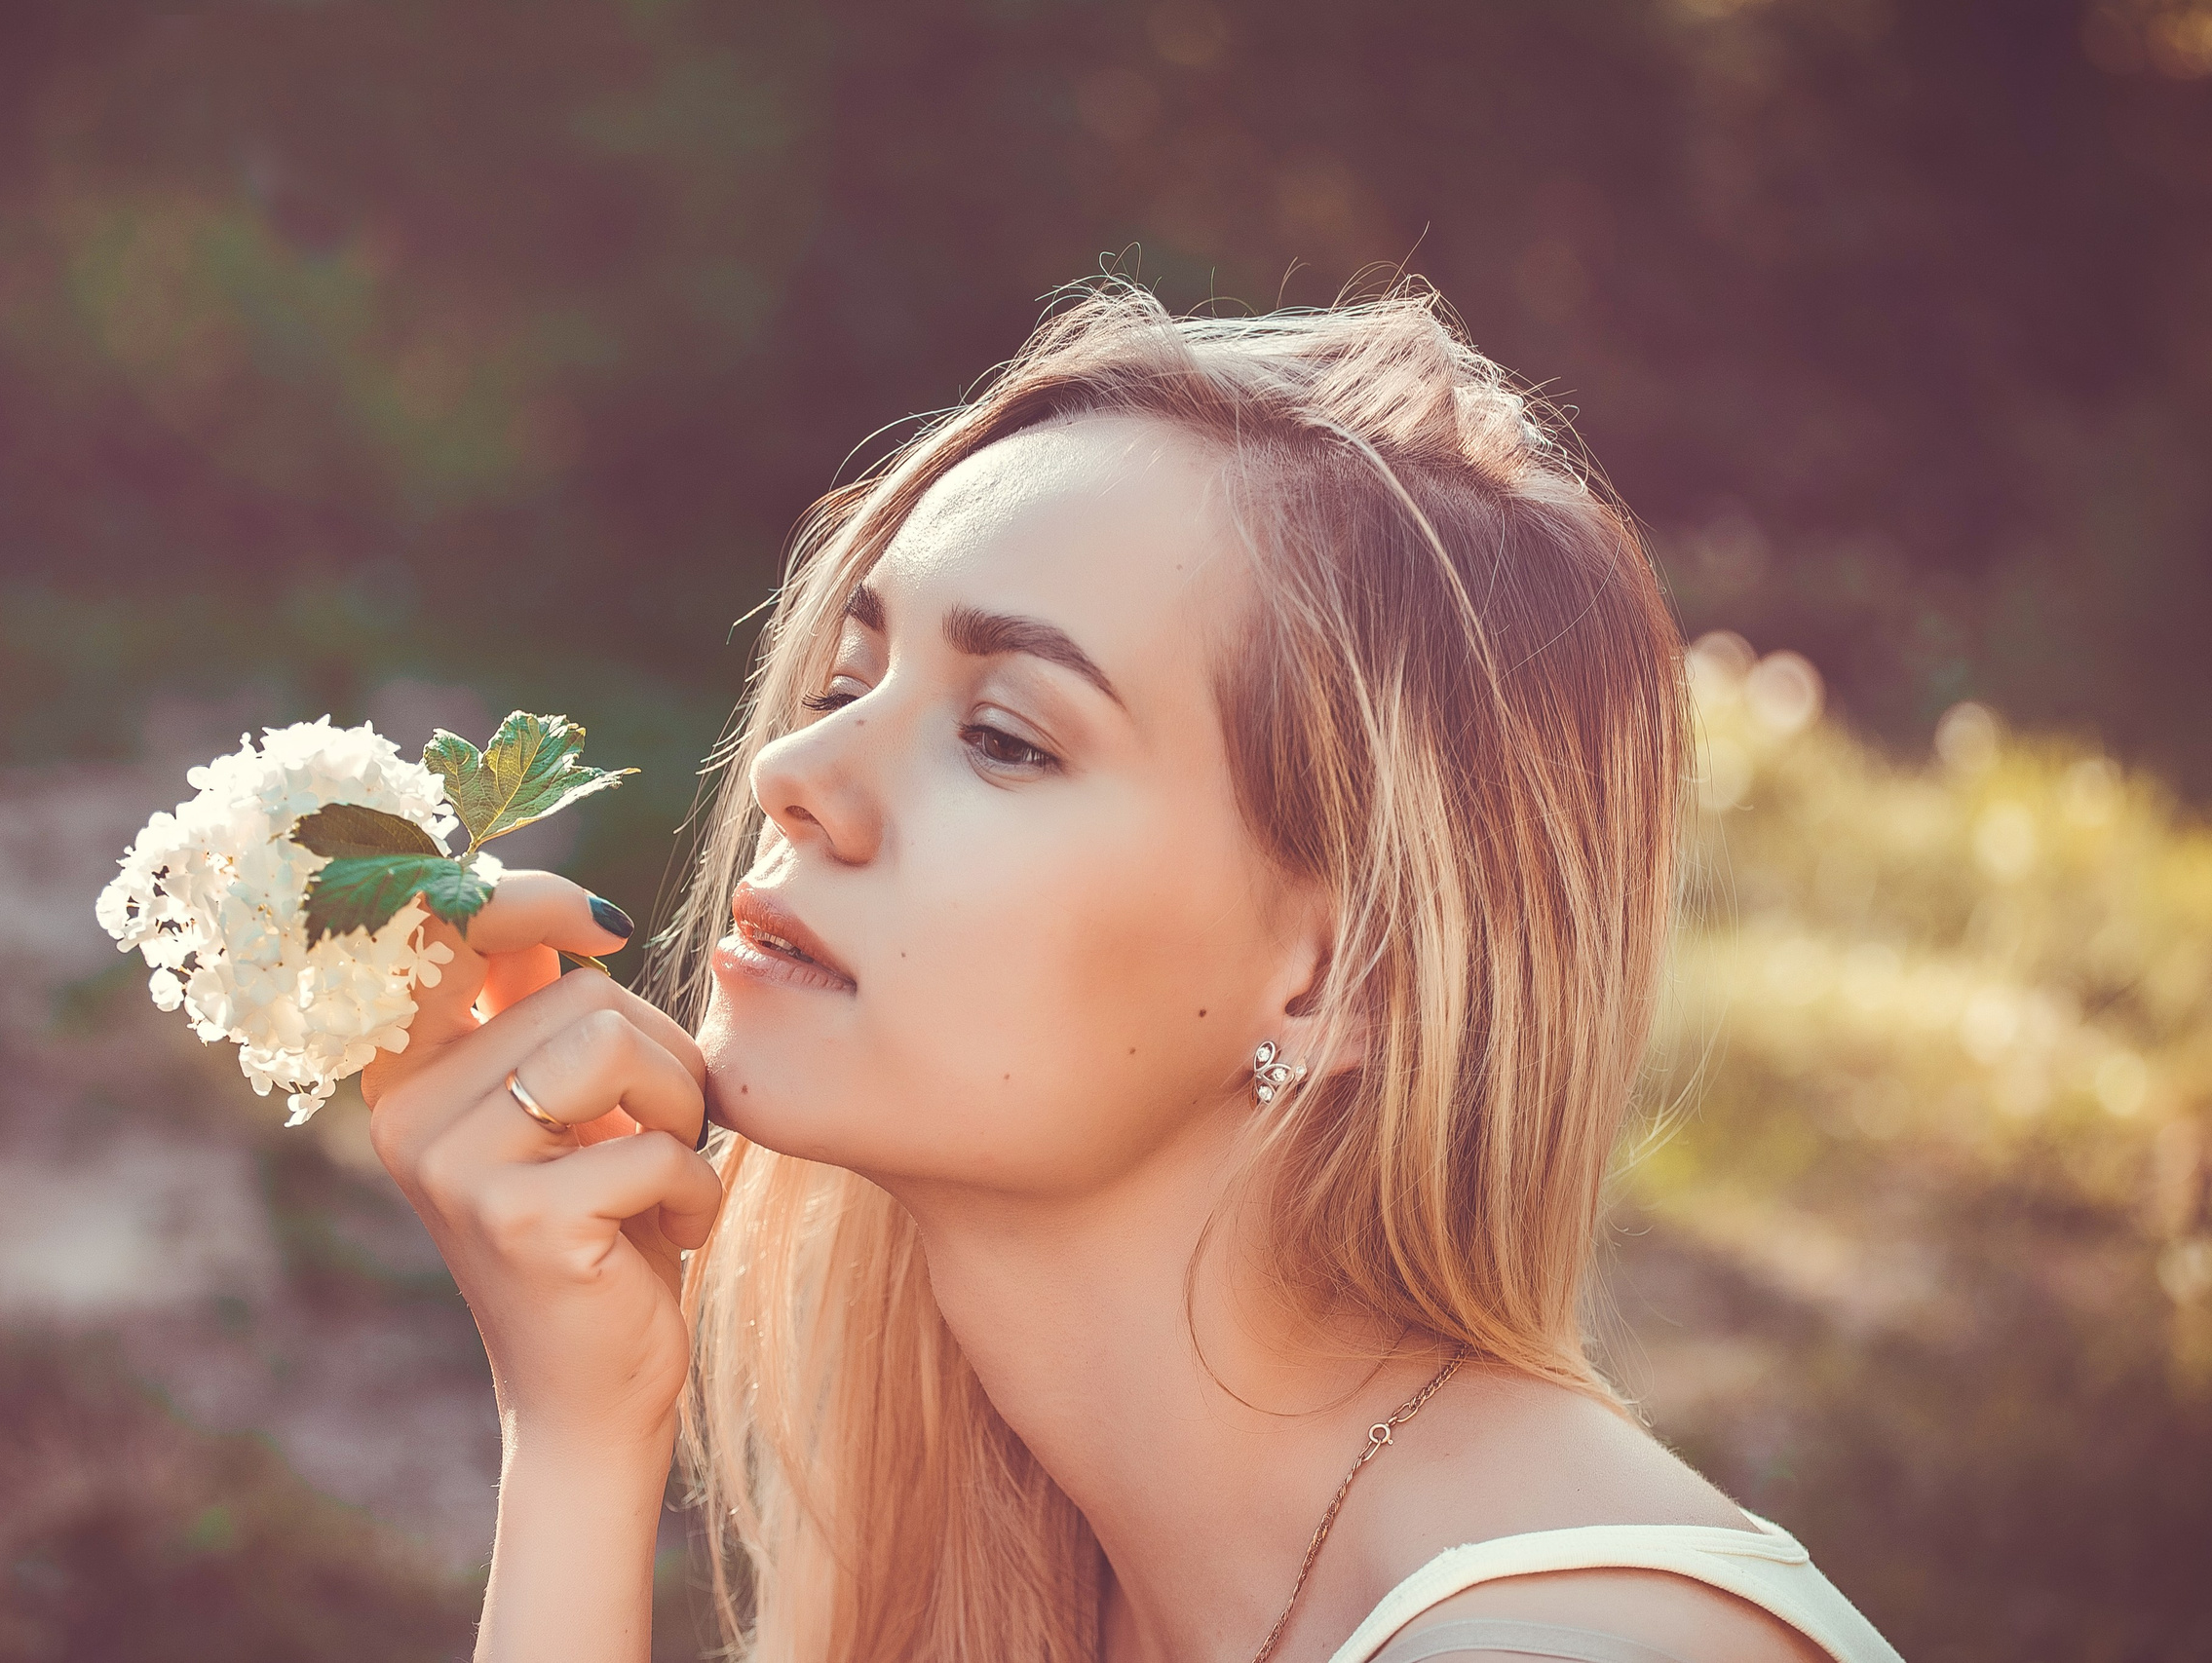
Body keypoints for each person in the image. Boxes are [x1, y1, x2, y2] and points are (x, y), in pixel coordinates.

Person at [360, 283, 1905, 1663]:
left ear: (1338, 974)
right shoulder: (1006, 1574)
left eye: (1006, 736)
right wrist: (574, 1438)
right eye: (846, 676)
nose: (796, 765)